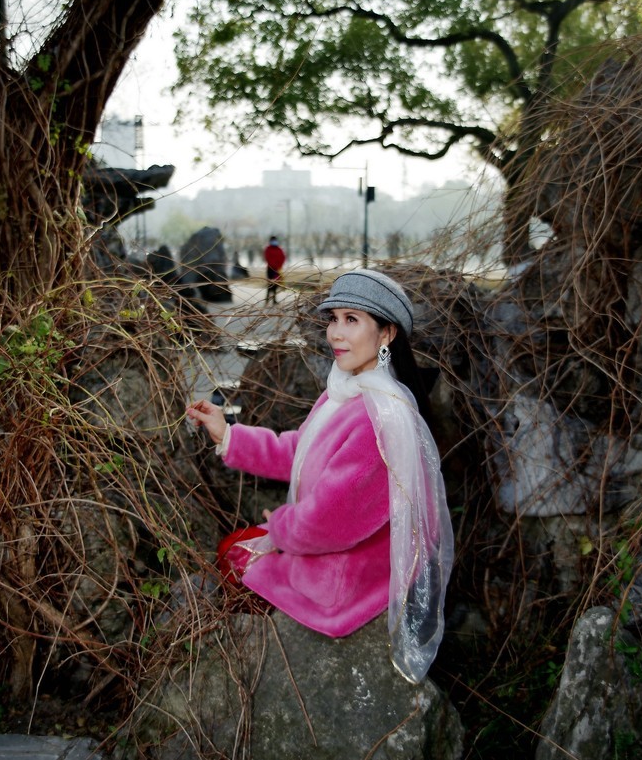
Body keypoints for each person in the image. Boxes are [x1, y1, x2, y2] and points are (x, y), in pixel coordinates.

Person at [185, 269, 453, 683]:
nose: (335, 334)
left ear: (387, 335)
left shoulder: (379, 416)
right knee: (233, 550)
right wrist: (229, 435)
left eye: (352, 320)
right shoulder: (349, 391)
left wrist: (278, 527)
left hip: (350, 572)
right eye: (333, 318)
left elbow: (330, 518)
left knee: (234, 555)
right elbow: (302, 450)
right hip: (331, 546)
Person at [263, 235, 286, 305]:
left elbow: (283, 257)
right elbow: (267, 258)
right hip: (270, 269)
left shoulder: (279, 249)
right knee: (270, 285)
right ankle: (267, 299)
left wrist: (279, 266)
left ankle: (274, 299)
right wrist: (273, 266)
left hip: (278, 270)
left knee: (276, 285)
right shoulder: (268, 249)